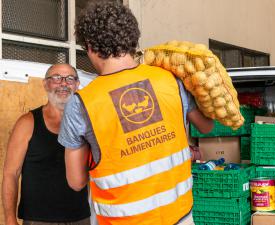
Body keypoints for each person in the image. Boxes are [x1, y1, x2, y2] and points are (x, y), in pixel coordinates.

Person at [58, 1, 214, 225]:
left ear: (89, 45)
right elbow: (207, 127)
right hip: (181, 217)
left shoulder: (81, 104)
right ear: (131, 37)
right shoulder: (170, 79)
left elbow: (76, 181)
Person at [2, 64, 91, 225]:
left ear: (77, 85)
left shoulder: (86, 123)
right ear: (45, 84)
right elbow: (11, 174)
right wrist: (9, 219)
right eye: (56, 78)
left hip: (81, 218)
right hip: (38, 220)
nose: (64, 83)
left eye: (70, 78)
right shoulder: (27, 123)